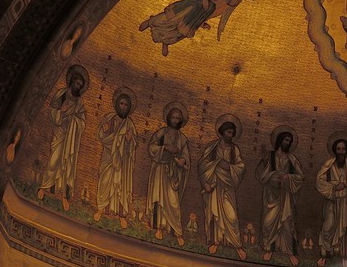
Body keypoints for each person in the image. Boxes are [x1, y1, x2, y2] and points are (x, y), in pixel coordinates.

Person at [38, 66, 88, 208]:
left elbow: (82, 121)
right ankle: (44, 187)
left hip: (70, 139)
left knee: (67, 166)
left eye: (80, 85)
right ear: (71, 81)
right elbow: (52, 113)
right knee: (54, 161)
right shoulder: (61, 94)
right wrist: (61, 112)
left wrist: (74, 120)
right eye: (76, 83)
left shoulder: (80, 102)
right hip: (59, 134)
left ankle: (63, 195)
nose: (77, 87)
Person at [199, 118, 246, 256]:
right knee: (214, 214)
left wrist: (229, 167)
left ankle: (237, 244)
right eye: (228, 132)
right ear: (222, 132)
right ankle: (216, 242)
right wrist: (205, 183)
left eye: (232, 132)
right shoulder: (212, 147)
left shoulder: (234, 149)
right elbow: (202, 165)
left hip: (227, 187)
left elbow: (241, 167)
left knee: (231, 215)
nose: (230, 135)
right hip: (213, 186)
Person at [256, 128, 303, 263]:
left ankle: (289, 252)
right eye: (286, 140)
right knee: (268, 222)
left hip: (286, 196)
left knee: (287, 223)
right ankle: (269, 250)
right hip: (271, 195)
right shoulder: (270, 156)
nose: (288, 143)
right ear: (280, 140)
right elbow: (259, 174)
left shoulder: (291, 159)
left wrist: (287, 177)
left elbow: (300, 177)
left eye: (290, 141)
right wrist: (266, 165)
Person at [316, 137, 347, 265]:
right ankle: (325, 254)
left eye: (343, 149)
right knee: (328, 226)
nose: (341, 152)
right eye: (338, 149)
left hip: (346, 204)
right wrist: (334, 187)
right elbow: (319, 182)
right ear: (334, 150)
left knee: (345, 228)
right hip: (332, 202)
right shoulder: (328, 165)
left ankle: (343, 257)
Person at [146, 104, 190, 244]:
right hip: (160, 168)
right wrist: (165, 148)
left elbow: (186, 156)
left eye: (178, 118)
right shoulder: (161, 133)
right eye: (173, 117)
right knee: (158, 198)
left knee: (173, 201)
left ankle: (176, 231)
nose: (175, 120)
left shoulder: (182, 138)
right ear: (168, 118)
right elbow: (152, 147)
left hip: (173, 173)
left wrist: (182, 160)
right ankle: (159, 227)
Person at [95, 89, 138, 224]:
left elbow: (133, 145)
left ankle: (121, 216)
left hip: (122, 161)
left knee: (121, 186)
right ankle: (101, 209)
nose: (123, 107)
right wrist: (105, 131)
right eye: (121, 103)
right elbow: (101, 137)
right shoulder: (109, 118)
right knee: (105, 181)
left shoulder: (129, 124)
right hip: (108, 158)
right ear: (116, 104)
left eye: (126, 105)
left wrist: (129, 140)